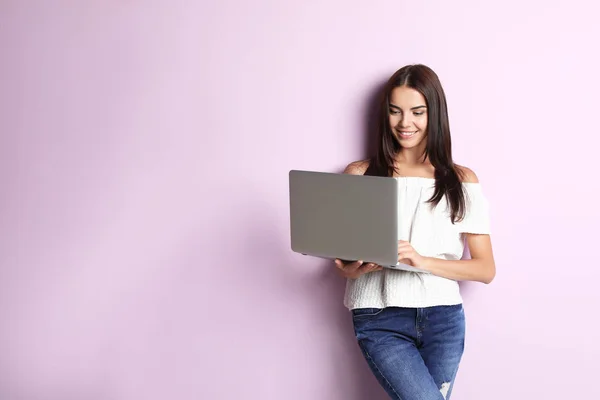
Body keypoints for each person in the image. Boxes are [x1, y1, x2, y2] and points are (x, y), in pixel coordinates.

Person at [334, 64, 496, 400]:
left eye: (417, 112)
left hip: (444, 320)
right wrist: (355, 268)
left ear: (434, 114)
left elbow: (485, 269)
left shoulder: (461, 180)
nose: (405, 123)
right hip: (380, 318)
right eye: (395, 112)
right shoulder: (360, 174)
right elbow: (344, 264)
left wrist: (421, 260)